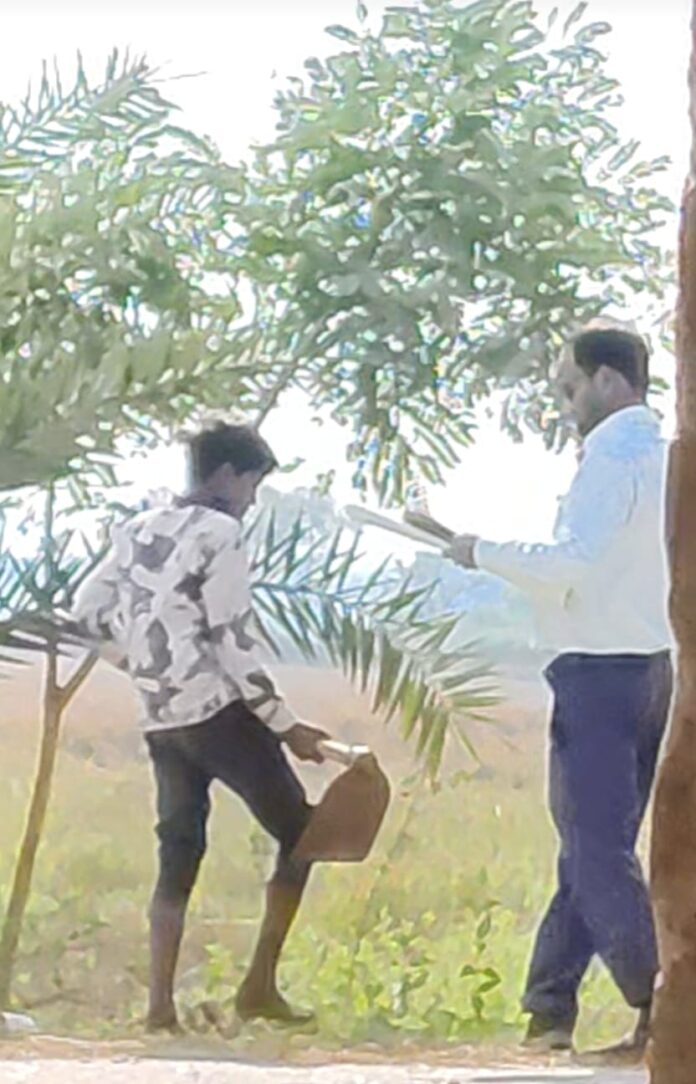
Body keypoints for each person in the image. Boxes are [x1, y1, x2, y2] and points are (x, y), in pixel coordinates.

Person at [448, 327, 673, 1057]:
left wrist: (480, 552)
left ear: (608, 380)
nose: (567, 405)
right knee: (591, 847)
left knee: (595, 852)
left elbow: (572, 562)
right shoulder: (665, 455)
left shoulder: (610, 458)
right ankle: (549, 1008)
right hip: (650, 669)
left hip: (597, 674)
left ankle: (664, 1004)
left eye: (571, 388)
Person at [71, 422, 329, 1032]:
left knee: (179, 851)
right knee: (302, 834)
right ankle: (259, 986)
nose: (252, 501)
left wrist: (141, 665)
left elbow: (85, 612)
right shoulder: (221, 534)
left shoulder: (137, 529)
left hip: (162, 718)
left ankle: (160, 1007)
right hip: (219, 714)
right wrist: (286, 725)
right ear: (226, 475)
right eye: (252, 485)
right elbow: (231, 640)